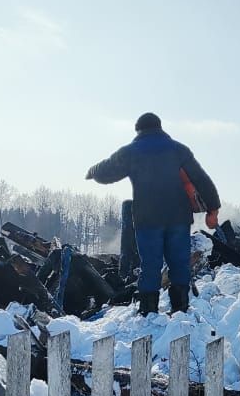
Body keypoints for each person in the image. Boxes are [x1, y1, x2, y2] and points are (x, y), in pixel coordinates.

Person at [86, 112, 220, 315]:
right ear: (160, 128)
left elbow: (108, 171)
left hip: (148, 220)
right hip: (178, 219)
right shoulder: (179, 150)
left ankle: (149, 312)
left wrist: (93, 171)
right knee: (179, 263)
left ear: (138, 130)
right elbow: (202, 179)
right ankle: (180, 309)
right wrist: (213, 210)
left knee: (150, 265)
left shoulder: (131, 151)